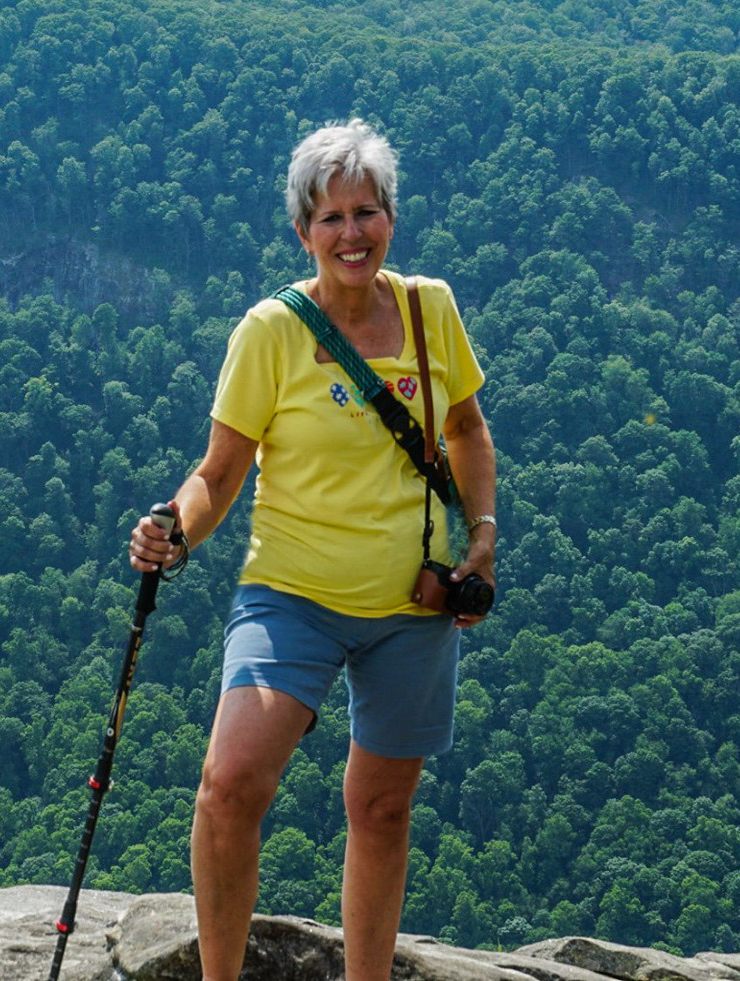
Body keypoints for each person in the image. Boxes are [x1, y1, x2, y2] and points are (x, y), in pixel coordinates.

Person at [130, 118, 498, 981]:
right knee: (230, 788)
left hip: (414, 604)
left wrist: (480, 539)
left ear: (391, 221)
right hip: (289, 595)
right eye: (330, 219)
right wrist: (174, 531)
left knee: (381, 810)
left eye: (365, 213)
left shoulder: (429, 310)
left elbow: (469, 430)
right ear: (302, 232)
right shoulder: (271, 332)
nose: (351, 234)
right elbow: (219, 474)